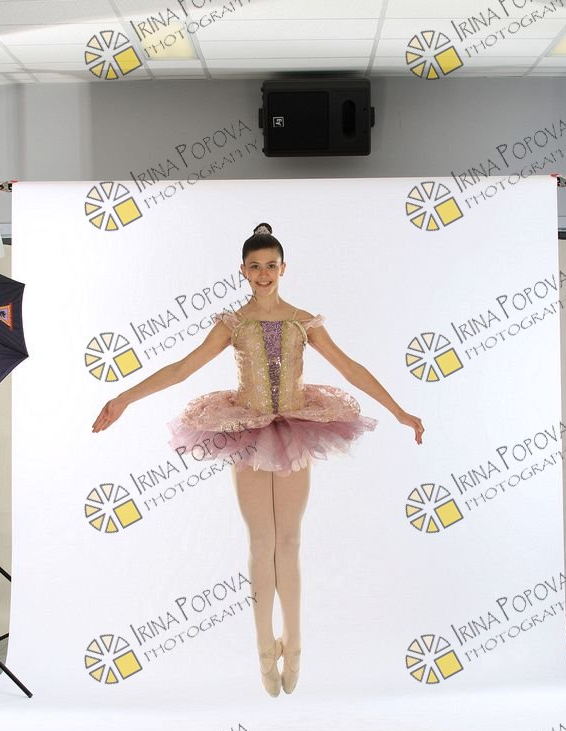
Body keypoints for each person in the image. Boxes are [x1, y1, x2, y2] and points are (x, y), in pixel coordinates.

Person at [92, 223, 424, 698]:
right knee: (261, 540)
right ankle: (264, 647)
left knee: (288, 540)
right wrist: (124, 397)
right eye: (255, 266)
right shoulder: (234, 324)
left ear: (284, 268)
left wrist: (399, 411)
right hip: (248, 432)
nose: (263, 273)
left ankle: (296, 642)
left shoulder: (303, 322)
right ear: (243, 271)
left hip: (294, 428)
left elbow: (351, 368)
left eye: (271, 265)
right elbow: (182, 368)